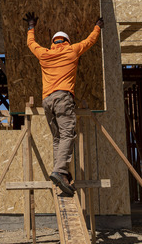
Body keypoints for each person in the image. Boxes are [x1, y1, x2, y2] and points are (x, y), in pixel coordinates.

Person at [23, 11, 103, 196]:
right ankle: (59, 171)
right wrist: (97, 26)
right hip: (63, 98)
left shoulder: (45, 54)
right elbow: (90, 41)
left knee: (58, 137)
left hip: (47, 101)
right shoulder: (72, 50)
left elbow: (30, 43)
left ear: (54, 42)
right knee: (68, 134)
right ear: (66, 41)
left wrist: (31, 27)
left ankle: (61, 172)